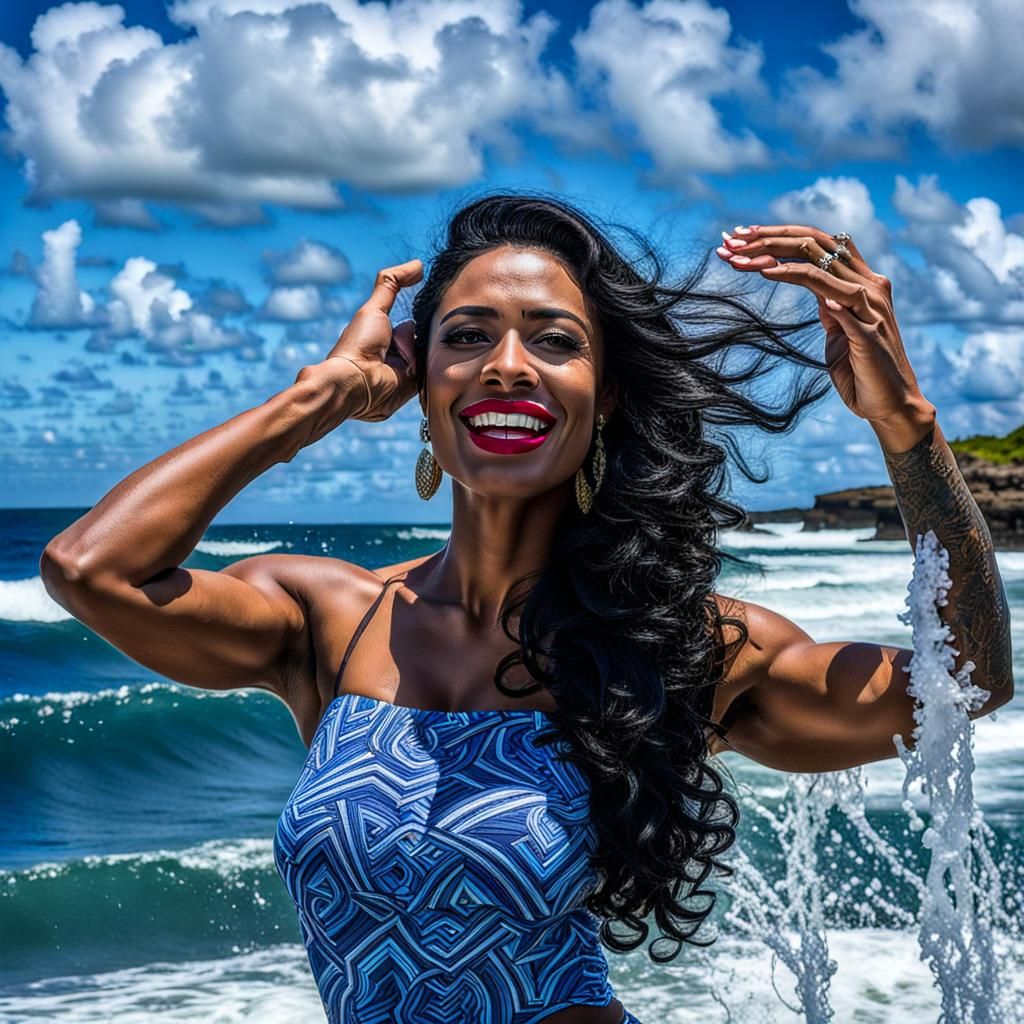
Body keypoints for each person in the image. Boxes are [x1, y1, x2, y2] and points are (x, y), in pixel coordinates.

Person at [39, 191, 1014, 1024]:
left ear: (607, 397)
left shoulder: (679, 643)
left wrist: (907, 425)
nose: (507, 364)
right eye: (465, 337)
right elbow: (92, 568)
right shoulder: (329, 616)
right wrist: (323, 396)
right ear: (422, 383)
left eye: (554, 341)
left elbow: (960, 684)